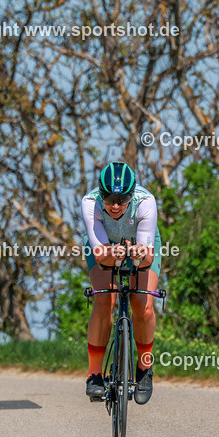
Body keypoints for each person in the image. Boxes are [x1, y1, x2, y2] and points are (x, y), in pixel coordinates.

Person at [80, 161, 161, 404]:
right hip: (103, 246)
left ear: (132, 193)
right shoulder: (89, 202)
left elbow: (146, 256)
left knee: (143, 305)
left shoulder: (145, 201)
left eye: (122, 199)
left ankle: (144, 368)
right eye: (109, 199)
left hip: (139, 241)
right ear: (100, 193)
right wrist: (113, 252)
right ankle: (94, 374)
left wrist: (136, 253)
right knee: (104, 298)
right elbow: (100, 253)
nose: (115, 205)